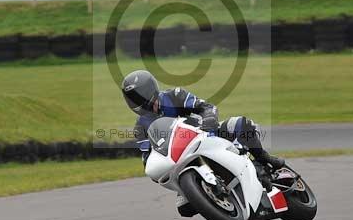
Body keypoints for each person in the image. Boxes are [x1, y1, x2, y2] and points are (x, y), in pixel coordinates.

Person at [120, 69, 285, 172]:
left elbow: (206, 107)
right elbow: (148, 158)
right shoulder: (140, 127)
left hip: (206, 135)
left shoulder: (175, 95)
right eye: (133, 98)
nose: (137, 101)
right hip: (181, 161)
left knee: (241, 123)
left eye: (139, 95)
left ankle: (263, 158)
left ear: (150, 89)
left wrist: (209, 121)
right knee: (185, 208)